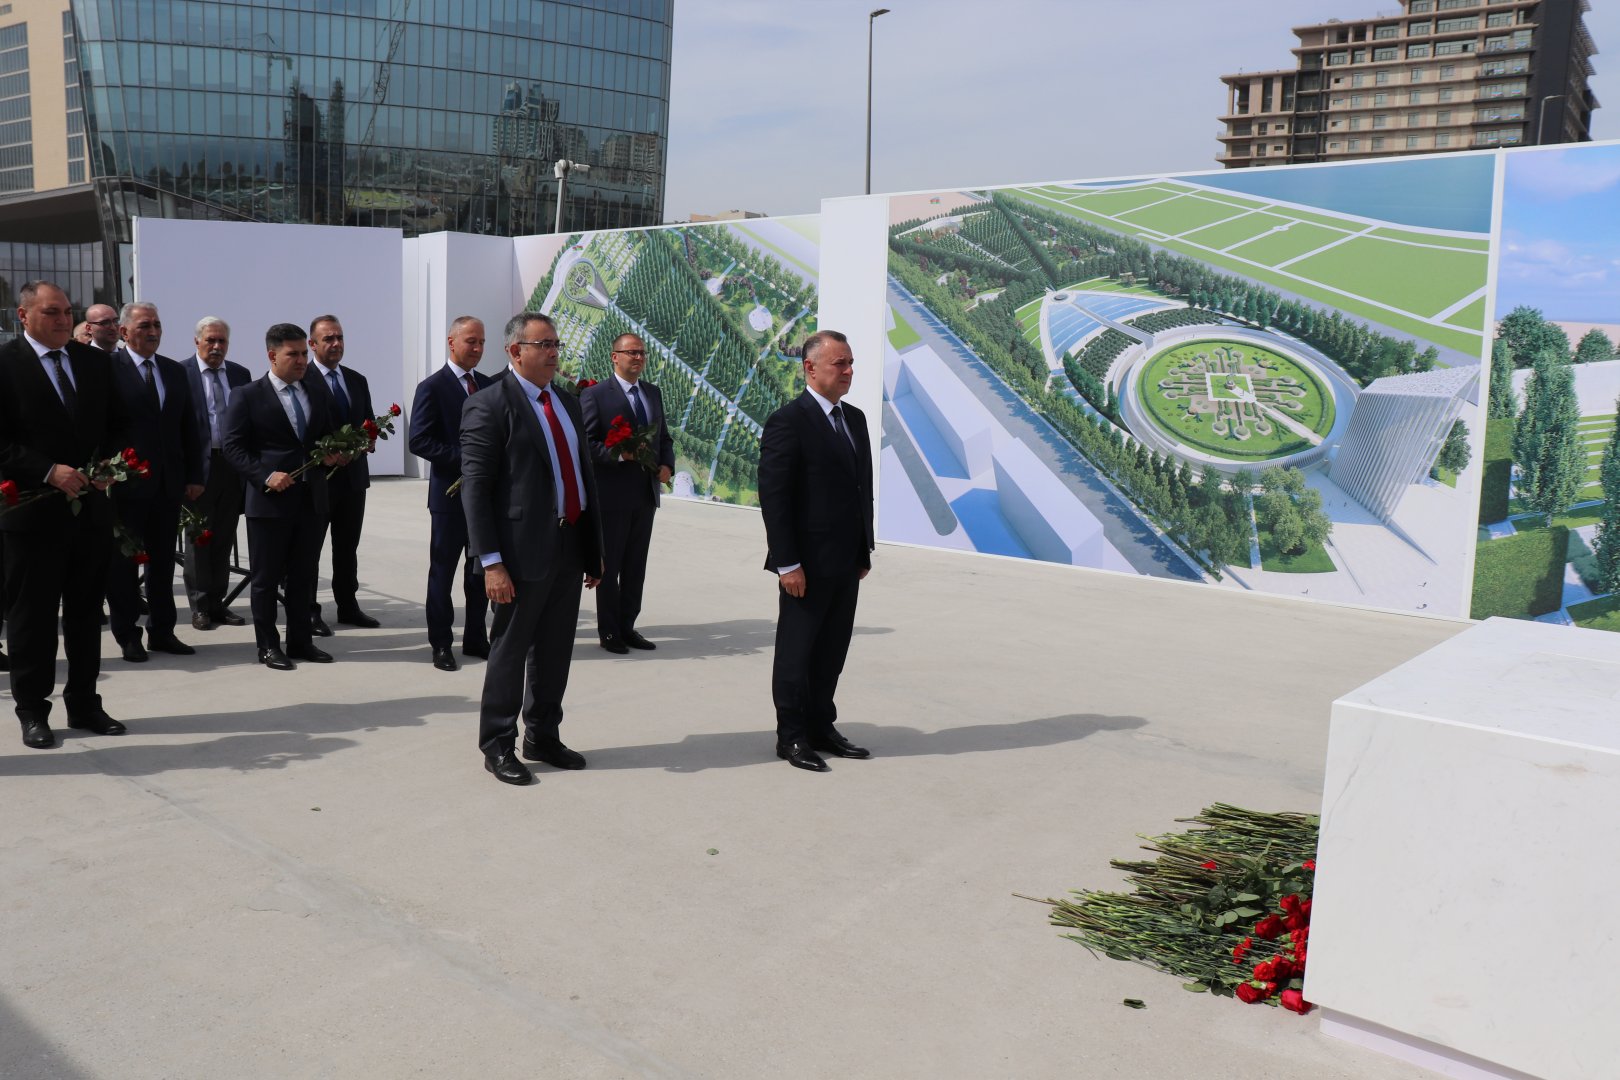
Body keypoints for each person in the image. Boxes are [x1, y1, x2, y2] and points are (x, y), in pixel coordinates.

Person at [461, 311, 603, 786]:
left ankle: (542, 734)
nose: (553, 353)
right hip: (519, 555)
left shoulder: (565, 401)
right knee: (510, 649)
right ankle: (498, 744)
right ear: (515, 351)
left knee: (556, 649)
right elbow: (476, 491)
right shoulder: (488, 404)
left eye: (556, 345)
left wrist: (593, 549)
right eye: (543, 345)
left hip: (567, 544)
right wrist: (492, 562)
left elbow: (581, 476)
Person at [0, 280, 129, 749]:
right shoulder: (6, 365)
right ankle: (33, 710)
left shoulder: (93, 362)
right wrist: (48, 471)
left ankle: (85, 703)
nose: (60, 318)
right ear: (23, 315)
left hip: (89, 512)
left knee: (84, 614)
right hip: (31, 516)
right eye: (51, 311)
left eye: (65, 311)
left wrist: (108, 468)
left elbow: (117, 424)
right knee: (32, 619)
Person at [758, 329, 875, 773]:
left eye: (850, 363)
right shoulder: (789, 421)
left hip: (846, 561)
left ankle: (821, 725)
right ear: (810, 368)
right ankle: (790, 736)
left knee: (832, 650)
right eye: (838, 364)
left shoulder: (856, 419)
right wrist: (787, 562)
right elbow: (775, 497)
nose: (848, 371)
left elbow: (860, 489)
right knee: (797, 652)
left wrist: (863, 549)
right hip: (804, 565)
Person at [221, 323, 343, 670]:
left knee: (304, 577)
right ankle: (268, 646)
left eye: (305, 353)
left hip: (311, 500)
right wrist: (264, 476)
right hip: (269, 504)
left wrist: (334, 452)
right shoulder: (247, 395)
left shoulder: (316, 392)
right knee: (266, 579)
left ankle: (301, 641)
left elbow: (325, 436)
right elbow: (232, 446)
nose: (303, 360)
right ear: (272, 355)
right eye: (294, 354)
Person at [105, 301, 206, 662]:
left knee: (163, 563)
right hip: (124, 486)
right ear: (124, 332)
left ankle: (162, 632)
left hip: (167, 485)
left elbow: (188, 426)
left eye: (158, 325)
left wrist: (195, 475)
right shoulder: (108, 370)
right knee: (124, 565)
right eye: (145, 325)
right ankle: (127, 634)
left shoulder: (173, 371)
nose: (153, 331)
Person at [408, 315, 494, 671]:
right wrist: (466, 460)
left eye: (481, 343)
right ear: (451, 341)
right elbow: (419, 440)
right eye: (470, 341)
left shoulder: (489, 385)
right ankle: (441, 643)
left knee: (480, 572)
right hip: (450, 497)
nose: (476, 349)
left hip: (485, 498)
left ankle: (476, 637)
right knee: (442, 572)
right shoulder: (433, 387)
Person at [580, 332, 674, 653]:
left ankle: (628, 626)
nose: (637, 358)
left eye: (642, 353)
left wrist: (667, 466)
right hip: (612, 497)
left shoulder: (652, 393)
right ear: (614, 357)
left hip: (645, 496)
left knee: (636, 567)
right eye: (631, 352)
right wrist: (621, 455)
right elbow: (587, 444)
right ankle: (609, 632)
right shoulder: (595, 396)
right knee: (612, 567)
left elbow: (664, 438)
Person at [301, 314, 378, 633]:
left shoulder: (356, 379)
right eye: (328, 339)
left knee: (347, 547)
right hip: (318, 480)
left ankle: (348, 605)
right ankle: (308, 610)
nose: (336, 344)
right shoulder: (302, 380)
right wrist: (325, 455)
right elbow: (298, 431)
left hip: (353, 480)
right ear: (312, 344)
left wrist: (364, 444)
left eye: (340, 337)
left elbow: (369, 423)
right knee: (309, 549)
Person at [182, 316, 251, 630]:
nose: (216, 346)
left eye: (222, 341)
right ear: (197, 341)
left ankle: (218, 603)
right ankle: (199, 606)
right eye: (210, 340)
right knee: (199, 539)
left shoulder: (239, 374)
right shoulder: (181, 374)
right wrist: (187, 475)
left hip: (232, 467)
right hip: (199, 467)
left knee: (224, 538)